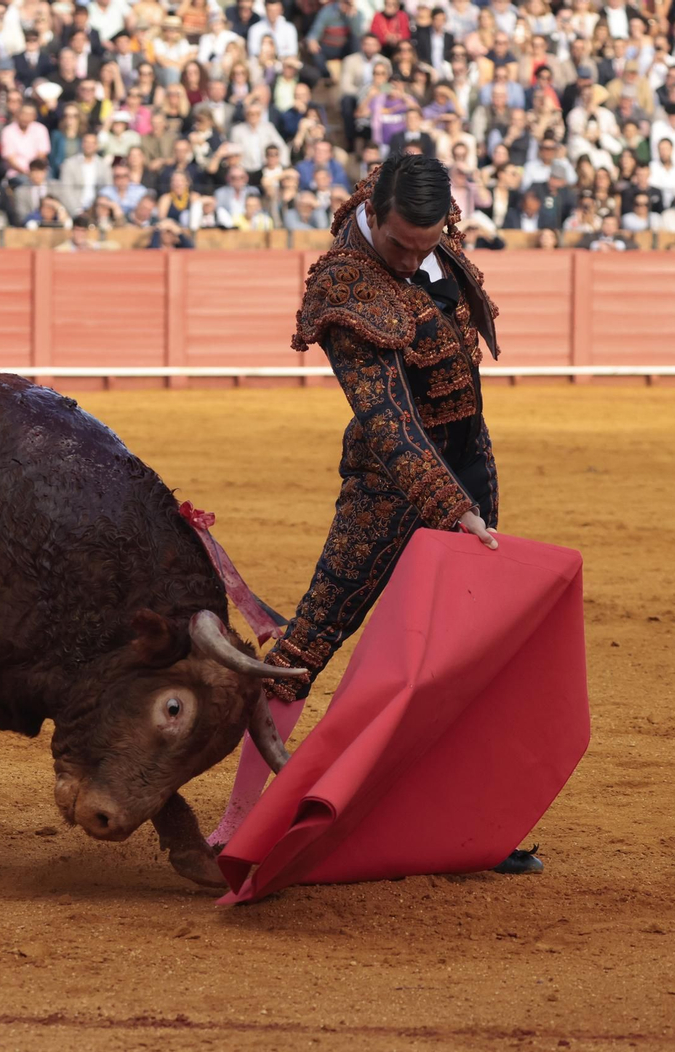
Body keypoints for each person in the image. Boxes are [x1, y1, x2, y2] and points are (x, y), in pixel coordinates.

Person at [256, 154, 533, 873]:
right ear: (373, 216)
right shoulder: (344, 286)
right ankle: (241, 824)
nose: (413, 259)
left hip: (469, 461)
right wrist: (454, 508)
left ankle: (470, 829)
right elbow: (389, 425)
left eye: (426, 243)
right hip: (389, 487)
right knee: (306, 644)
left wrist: (469, 493)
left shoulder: (425, 222)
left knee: (464, 655)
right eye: (400, 244)